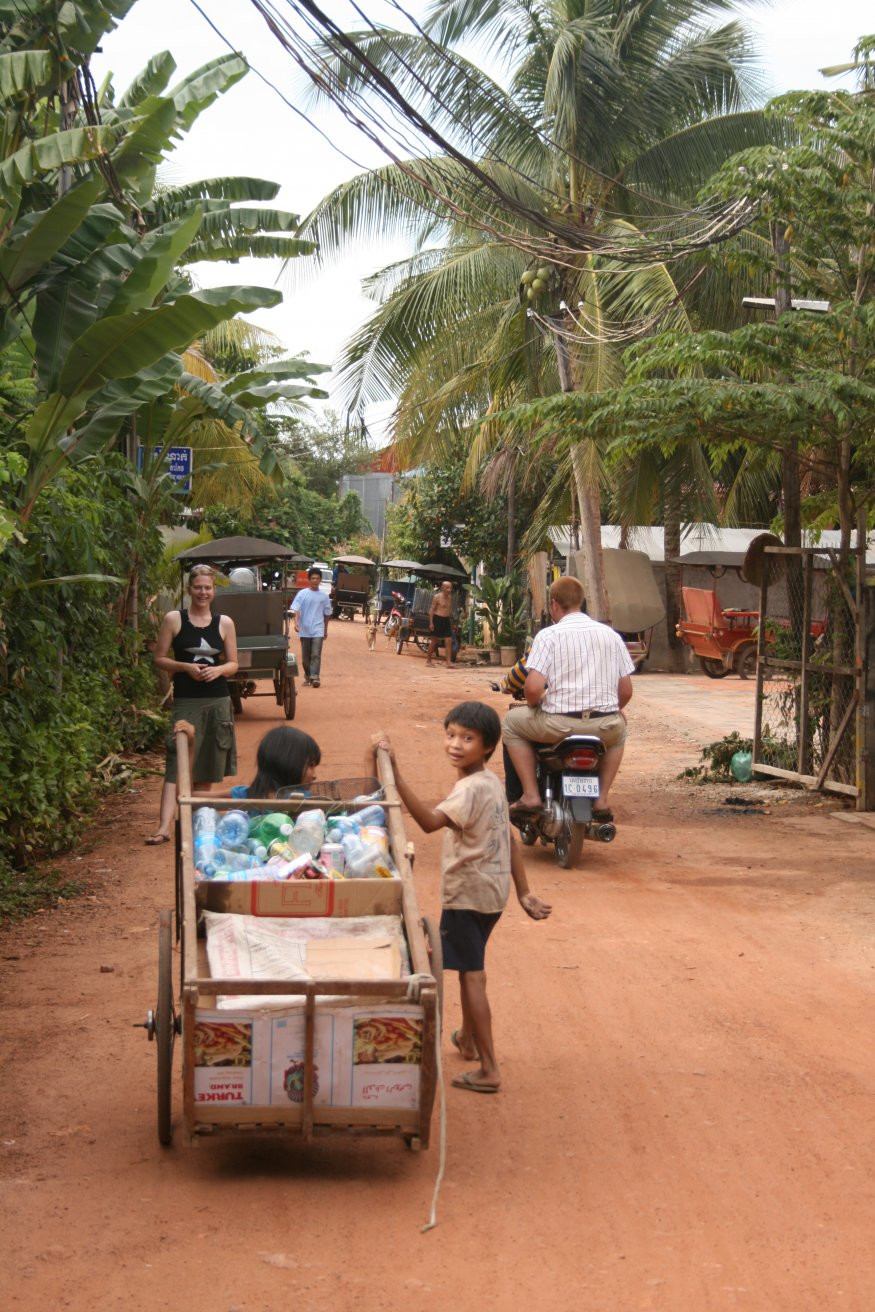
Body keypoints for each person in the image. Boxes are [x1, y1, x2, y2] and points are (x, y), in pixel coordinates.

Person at [371, 701, 551, 1094]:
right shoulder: (491, 783)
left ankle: (489, 1068)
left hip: (467, 894)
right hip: (492, 893)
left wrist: (394, 776)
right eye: (451, 735)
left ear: (487, 747)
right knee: (472, 962)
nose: (456, 744)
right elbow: (509, 839)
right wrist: (523, 893)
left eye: (467, 739)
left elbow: (429, 822)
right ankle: (468, 1041)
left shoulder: (469, 790)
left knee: (472, 976)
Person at [502, 575, 634, 822]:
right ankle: (602, 799)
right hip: (604, 726)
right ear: (581, 601)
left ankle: (530, 795)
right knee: (620, 732)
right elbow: (625, 691)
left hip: (558, 725)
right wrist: (611, 711)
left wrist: (535, 705)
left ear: (554, 604)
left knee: (511, 722)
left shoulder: (548, 636)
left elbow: (532, 689)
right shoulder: (611, 636)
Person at [145, 564, 239, 844]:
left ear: (214, 591)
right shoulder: (174, 619)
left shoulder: (225, 623)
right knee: (177, 761)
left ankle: (196, 825)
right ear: (189, 590)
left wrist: (219, 670)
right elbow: (159, 658)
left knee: (208, 766)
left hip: (218, 701)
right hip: (186, 702)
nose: (203, 592)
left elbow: (233, 663)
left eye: (207, 587)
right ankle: (164, 827)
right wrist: (185, 667)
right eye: (198, 587)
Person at [226, 726, 321, 800]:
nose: (314, 776)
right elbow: (211, 798)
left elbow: (212, 798)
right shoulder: (246, 794)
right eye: (310, 765)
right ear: (288, 763)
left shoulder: (246, 794)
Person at [290, 567, 333, 687]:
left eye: (318, 578)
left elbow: (327, 615)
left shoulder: (324, 597)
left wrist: (325, 630)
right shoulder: (302, 594)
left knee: (316, 654)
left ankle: (315, 677)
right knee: (305, 658)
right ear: (309, 579)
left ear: (320, 580)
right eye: (313, 578)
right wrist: (296, 623)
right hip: (305, 629)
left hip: (318, 629)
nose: (315, 580)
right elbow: (296, 610)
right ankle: (308, 676)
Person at [427, 580, 455, 668]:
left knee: (449, 641)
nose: (449, 590)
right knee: (434, 641)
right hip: (437, 619)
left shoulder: (450, 598)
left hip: (446, 620)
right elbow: (431, 610)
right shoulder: (437, 597)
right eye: (447, 588)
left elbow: (449, 611)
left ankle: (448, 662)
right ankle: (428, 661)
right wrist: (431, 623)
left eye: (450, 588)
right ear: (443, 588)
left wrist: (452, 622)